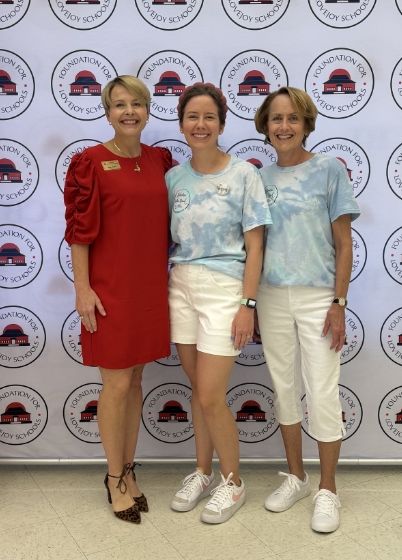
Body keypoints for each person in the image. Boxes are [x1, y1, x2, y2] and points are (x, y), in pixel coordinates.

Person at [64, 75, 172, 524]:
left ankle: (129, 468)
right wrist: (82, 288)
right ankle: (114, 479)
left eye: (138, 104)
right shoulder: (89, 162)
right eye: (119, 104)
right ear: (107, 112)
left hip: (150, 289)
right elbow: (78, 232)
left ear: (148, 110)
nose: (129, 111)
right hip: (108, 290)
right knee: (116, 385)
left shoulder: (160, 160)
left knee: (136, 384)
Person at [254, 87, 360, 532]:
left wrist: (339, 302)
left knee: (322, 391)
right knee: (283, 388)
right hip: (272, 296)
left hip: (319, 297)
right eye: (276, 119)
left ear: (307, 123)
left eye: (293, 118)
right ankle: (296, 476)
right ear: (265, 126)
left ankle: (328, 489)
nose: (284, 126)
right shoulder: (258, 178)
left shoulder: (330, 170)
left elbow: (343, 244)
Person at [166, 83, 272, 524]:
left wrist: (248, 303)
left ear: (222, 124)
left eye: (209, 117)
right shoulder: (173, 178)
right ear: (181, 124)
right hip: (180, 286)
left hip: (225, 291)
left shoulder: (244, 174)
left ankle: (234, 482)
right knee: (197, 392)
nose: (201, 124)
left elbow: (256, 245)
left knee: (211, 395)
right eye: (193, 117)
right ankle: (203, 472)